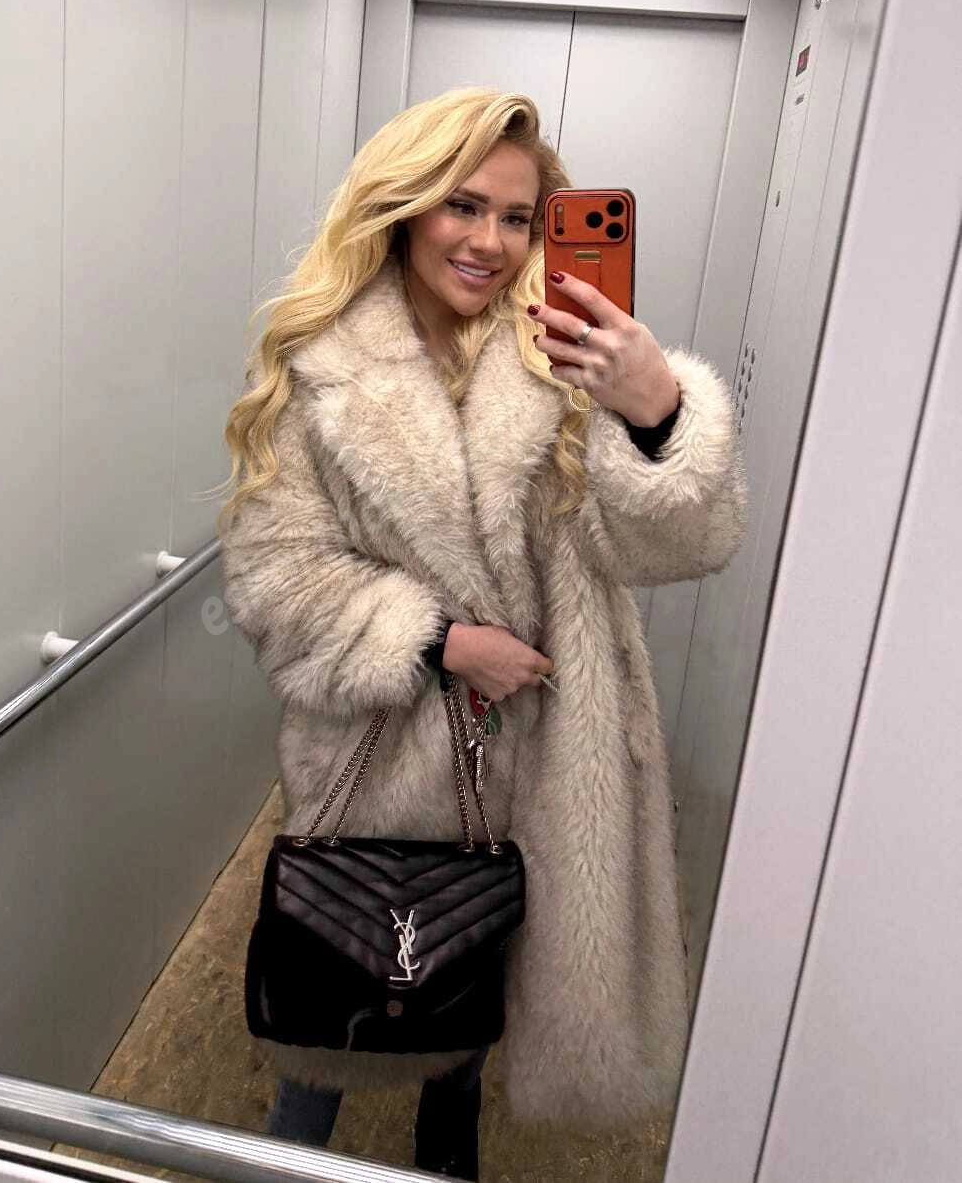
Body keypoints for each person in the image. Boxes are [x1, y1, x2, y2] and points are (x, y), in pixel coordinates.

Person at [215, 87, 748, 1177]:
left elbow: (680, 544)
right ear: (403, 206)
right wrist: (440, 642)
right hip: (388, 759)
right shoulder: (321, 369)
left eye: (517, 217)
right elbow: (275, 576)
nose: (490, 243)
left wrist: (654, 411)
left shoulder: (566, 357)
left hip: (548, 757)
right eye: (463, 206)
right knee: (332, 1014)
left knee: (470, 1004)